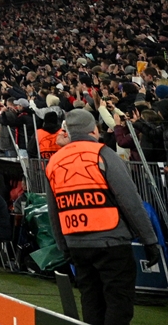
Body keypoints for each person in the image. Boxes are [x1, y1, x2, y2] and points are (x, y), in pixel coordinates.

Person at [47, 107, 162, 325]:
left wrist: (63, 245)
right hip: (111, 241)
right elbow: (130, 201)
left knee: (91, 301)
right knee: (118, 302)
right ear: (94, 130)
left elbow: (54, 210)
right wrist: (150, 240)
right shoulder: (102, 154)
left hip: (77, 243)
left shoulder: (55, 161)